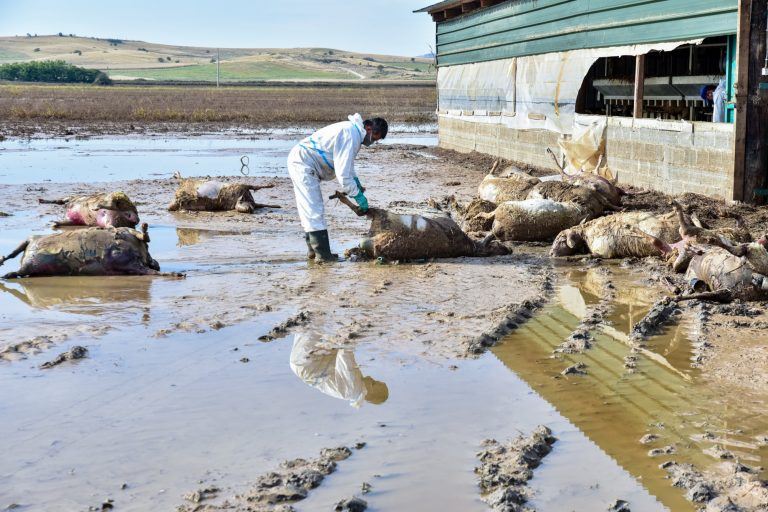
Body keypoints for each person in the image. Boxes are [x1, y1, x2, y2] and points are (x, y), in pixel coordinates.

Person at [287, 114, 388, 262]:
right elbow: (343, 175)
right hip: (304, 163)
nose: (372, 141)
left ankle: (314, 252)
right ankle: (323, 255)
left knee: (308, 209)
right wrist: (358, 196)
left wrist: (356, 182)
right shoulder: (351, 134)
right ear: (368, 128)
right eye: (374, 137)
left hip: (302, 161)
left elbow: (347, 166)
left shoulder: (352, 132)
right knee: (314, 208)